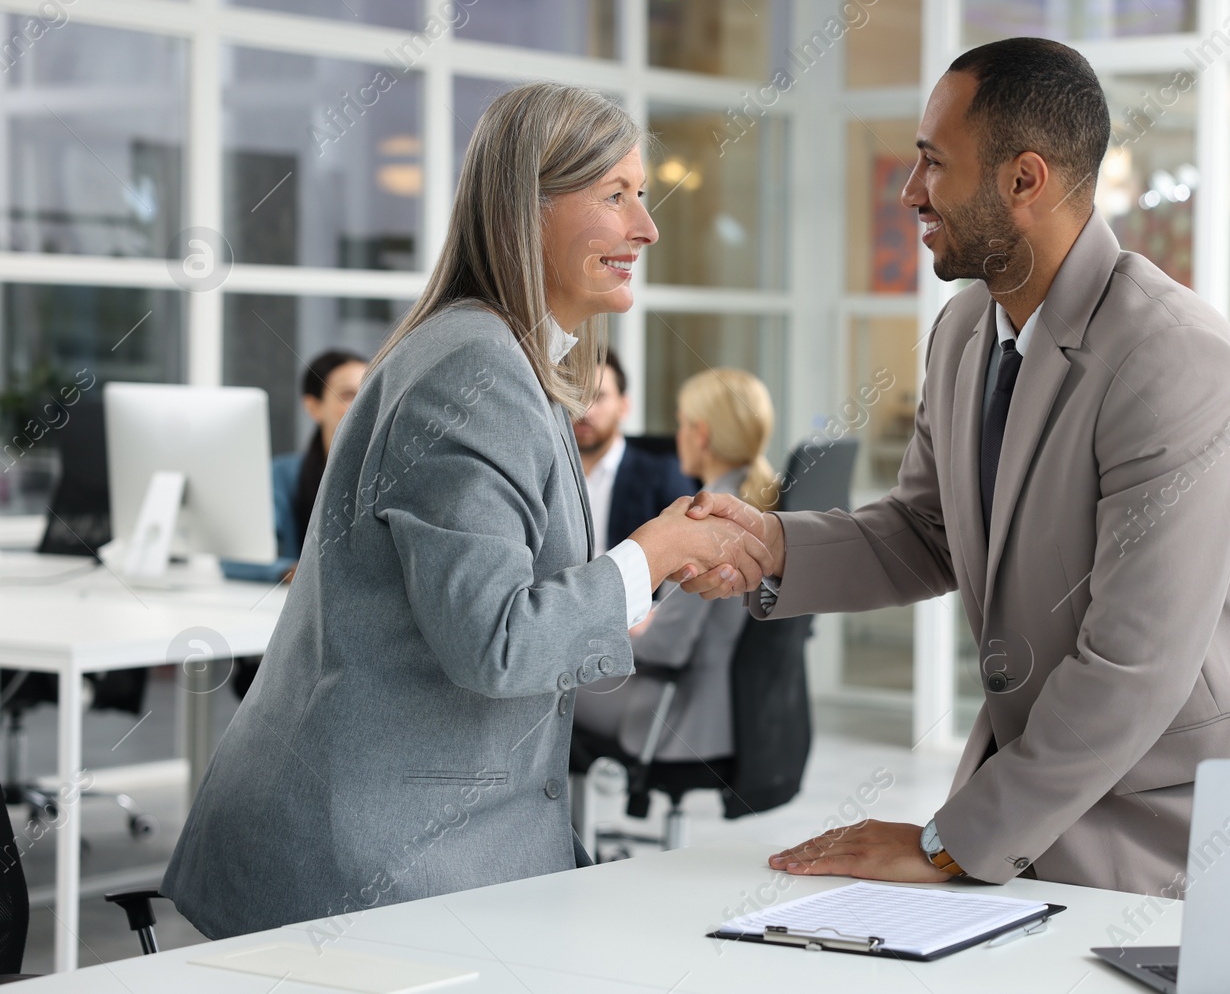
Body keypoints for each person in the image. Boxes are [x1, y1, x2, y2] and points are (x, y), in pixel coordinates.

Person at [683, 38, 1230, 896]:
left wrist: (944, 844)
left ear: (1024, 181)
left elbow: (1134, 665)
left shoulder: (1171, 354)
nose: (910, 191)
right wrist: (770, 546)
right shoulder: (962, 335)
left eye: (931, 163)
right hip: (1055, 802)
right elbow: (927, 529)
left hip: (1200, 825)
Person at [161, 81, 773, 938]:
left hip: (440, 843)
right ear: (528, 209)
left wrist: (642, 573)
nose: (647, 227)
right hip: (362, 865)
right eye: (615, 195)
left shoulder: (504, 358)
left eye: (642, 194)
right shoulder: (473, 374)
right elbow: (497, 641)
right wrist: (649, 555)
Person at [573, 367, 779, 764]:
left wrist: (615, 625)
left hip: (673, 716)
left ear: (700, 435)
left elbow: (666, 647)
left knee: (543, 688)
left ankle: (561, 825)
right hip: (730, 715)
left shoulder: (710, 518)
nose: (677, 436)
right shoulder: (757, 504)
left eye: (682, 424)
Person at [222, 349, 367, 586]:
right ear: (314, 407)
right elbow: (235, 557)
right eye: (348, 394)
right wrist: (295, 572)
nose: (363, 403)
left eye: (370, 391)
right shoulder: (284, 474)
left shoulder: (393, 473)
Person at [575, 349, 696, 555]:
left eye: (599, 397)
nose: (585, 410)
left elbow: (689, 548)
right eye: (575, 396)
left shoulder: (661, 476)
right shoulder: (546, 475)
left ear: (623, 406)